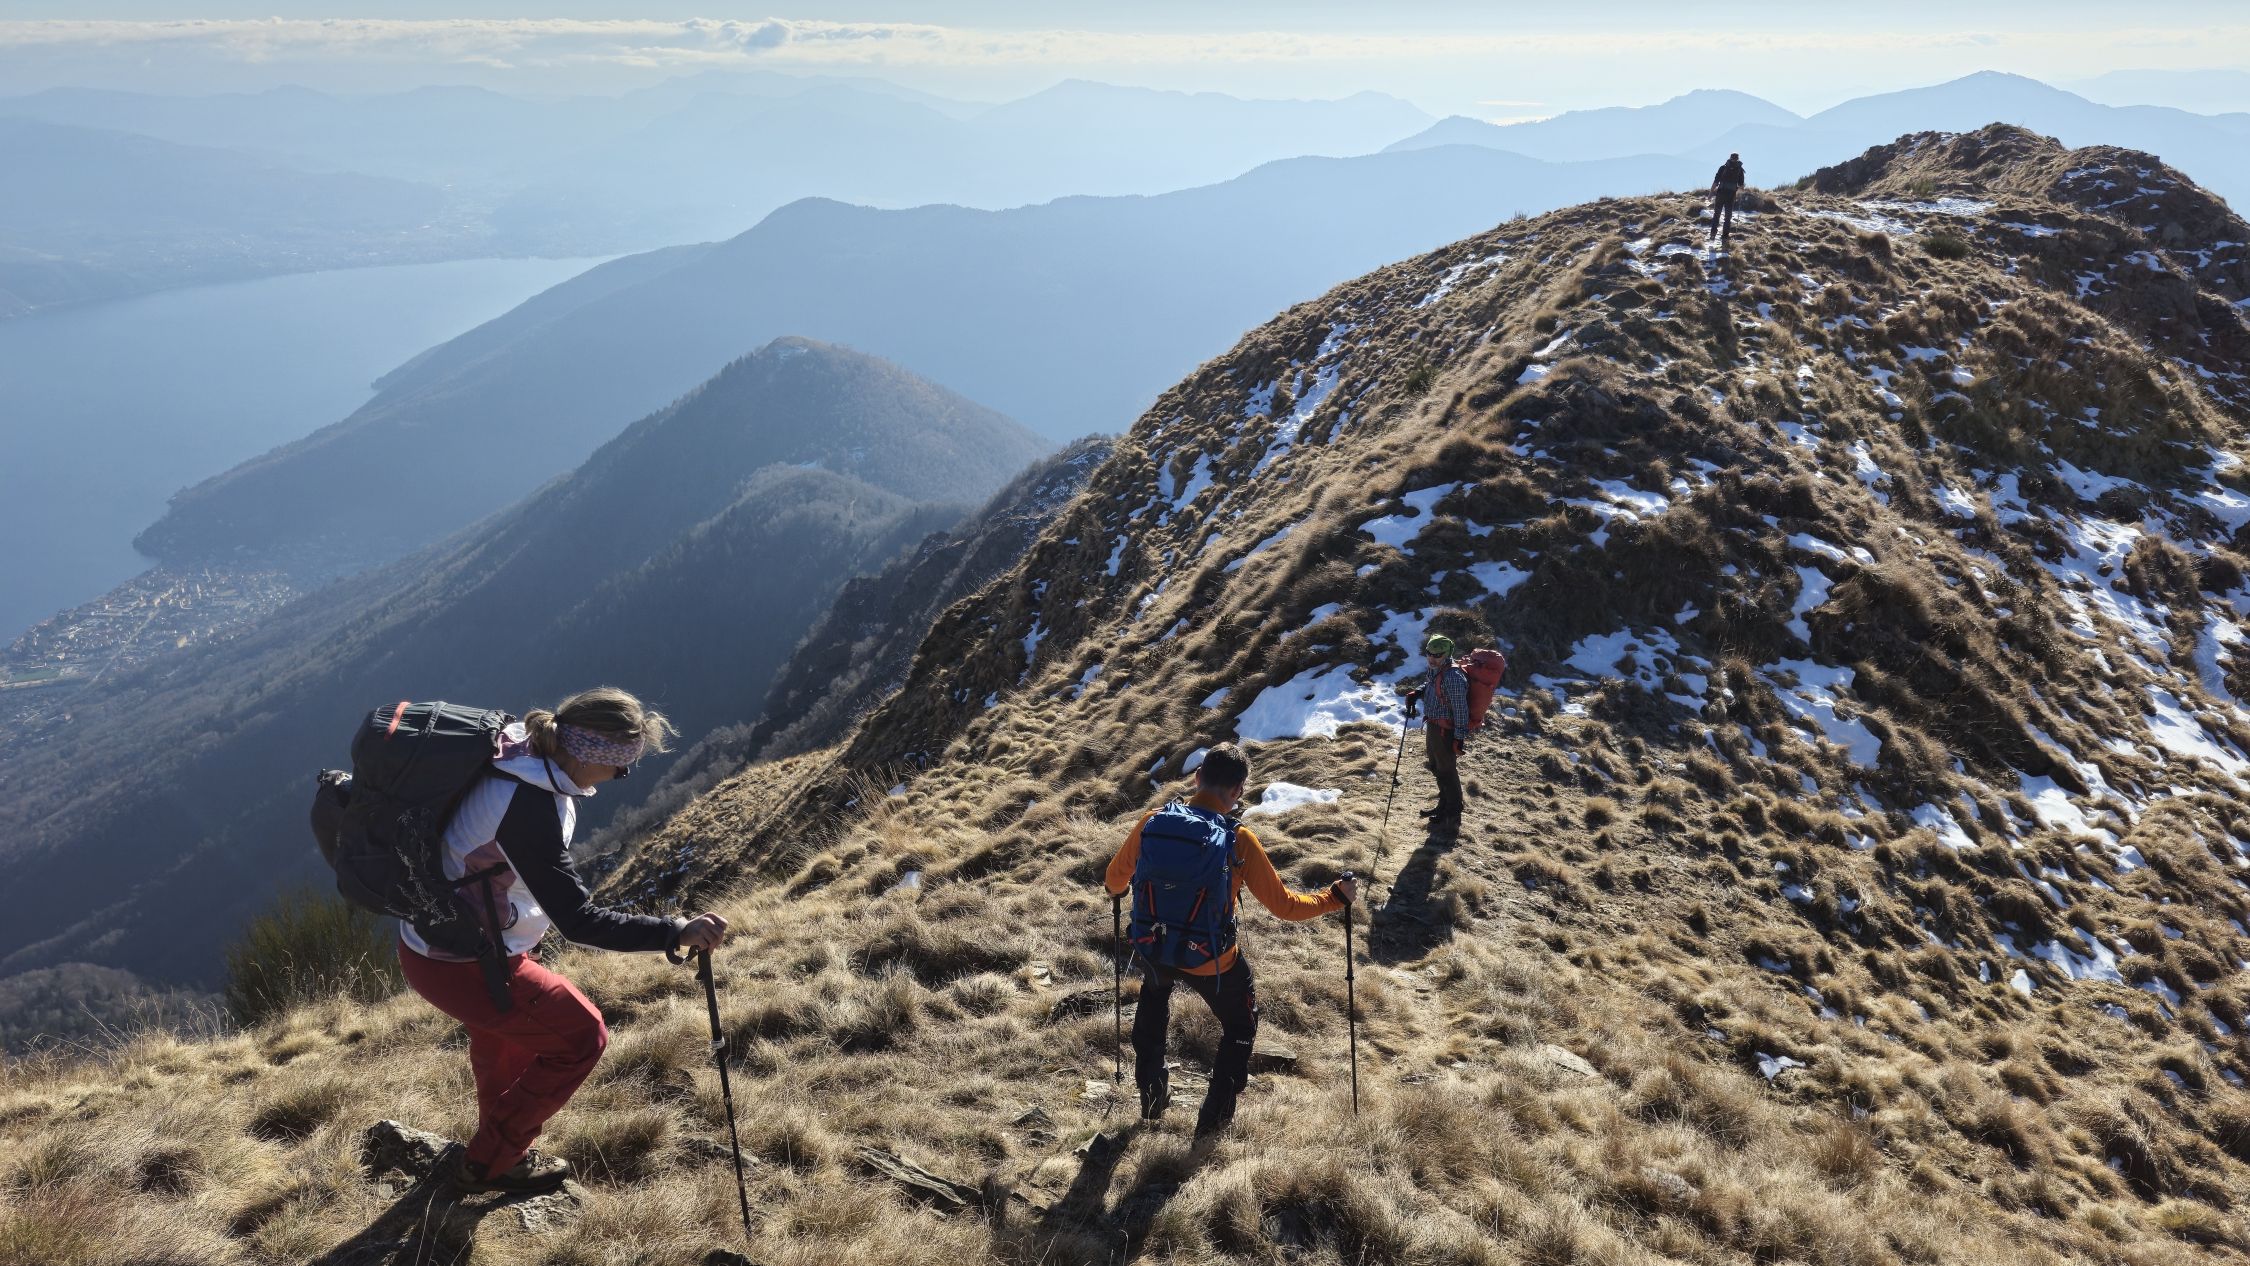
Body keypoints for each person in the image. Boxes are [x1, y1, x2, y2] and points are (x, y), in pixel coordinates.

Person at [394, 686, 730, 1194]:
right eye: (621, 766)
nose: (622, 775)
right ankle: (489, 1164)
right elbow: (578, 920)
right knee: (582, 1036)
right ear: (590, 754)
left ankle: (500, 1149)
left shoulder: (517, 750)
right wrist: (674, 931)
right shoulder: (528, 807)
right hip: (467, 963)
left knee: (505, 1044)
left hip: (440, 942)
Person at [1104, 743, 1356, 1137]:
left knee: (1154, 998)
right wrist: (1335, 897)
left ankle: (1152, 1095)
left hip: (1153, 946)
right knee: (1240, 1024)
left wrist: (1128, 890)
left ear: (1197, 777)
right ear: (1238, 791)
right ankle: (1212, 1123)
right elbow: (1286, 906)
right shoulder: (1238, 840)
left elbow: (1113, 881)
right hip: (1212, 959)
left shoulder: (1153, 821)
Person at [1401, 634, 1471, 830]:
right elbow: (1430, 684)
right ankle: (1444, 806)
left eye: (1437, 655)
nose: (1432, 658)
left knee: (1446, 770)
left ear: (1447, 654)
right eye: (1429, 654)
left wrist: (1459, 738)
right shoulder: (1436, 669)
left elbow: (1461, 710)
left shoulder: (1453, 677)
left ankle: (1453, 816)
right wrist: (1418, 692)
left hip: (1445, 730)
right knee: (1436, 767)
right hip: (1433, 726)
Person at [1710, 152, 1746, 242]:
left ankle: (1713, 234)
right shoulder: (1740, 170)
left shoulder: (1723, 168)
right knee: (1728, 216)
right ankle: (1725, 236)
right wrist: (1741, 192)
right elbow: (1741, 186)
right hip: (1731, 195)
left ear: (1730, 158)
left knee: (1716, 214)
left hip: (1720, 193)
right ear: (1738, 159)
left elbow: (1716, 181)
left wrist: (1710, 193)